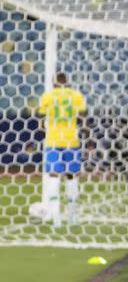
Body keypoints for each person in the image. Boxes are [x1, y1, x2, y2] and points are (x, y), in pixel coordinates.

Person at [38, 72, 86, 226]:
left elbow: (40, 121)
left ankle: (56, 218)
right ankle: (73, 217)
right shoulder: (76, 95)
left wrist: (46, 130)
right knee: (72, 176)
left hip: (53, 141)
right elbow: (83, 118)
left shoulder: (48, 96)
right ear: (68, 83)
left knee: (53, 176)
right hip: (71, 140)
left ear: (54, 83)